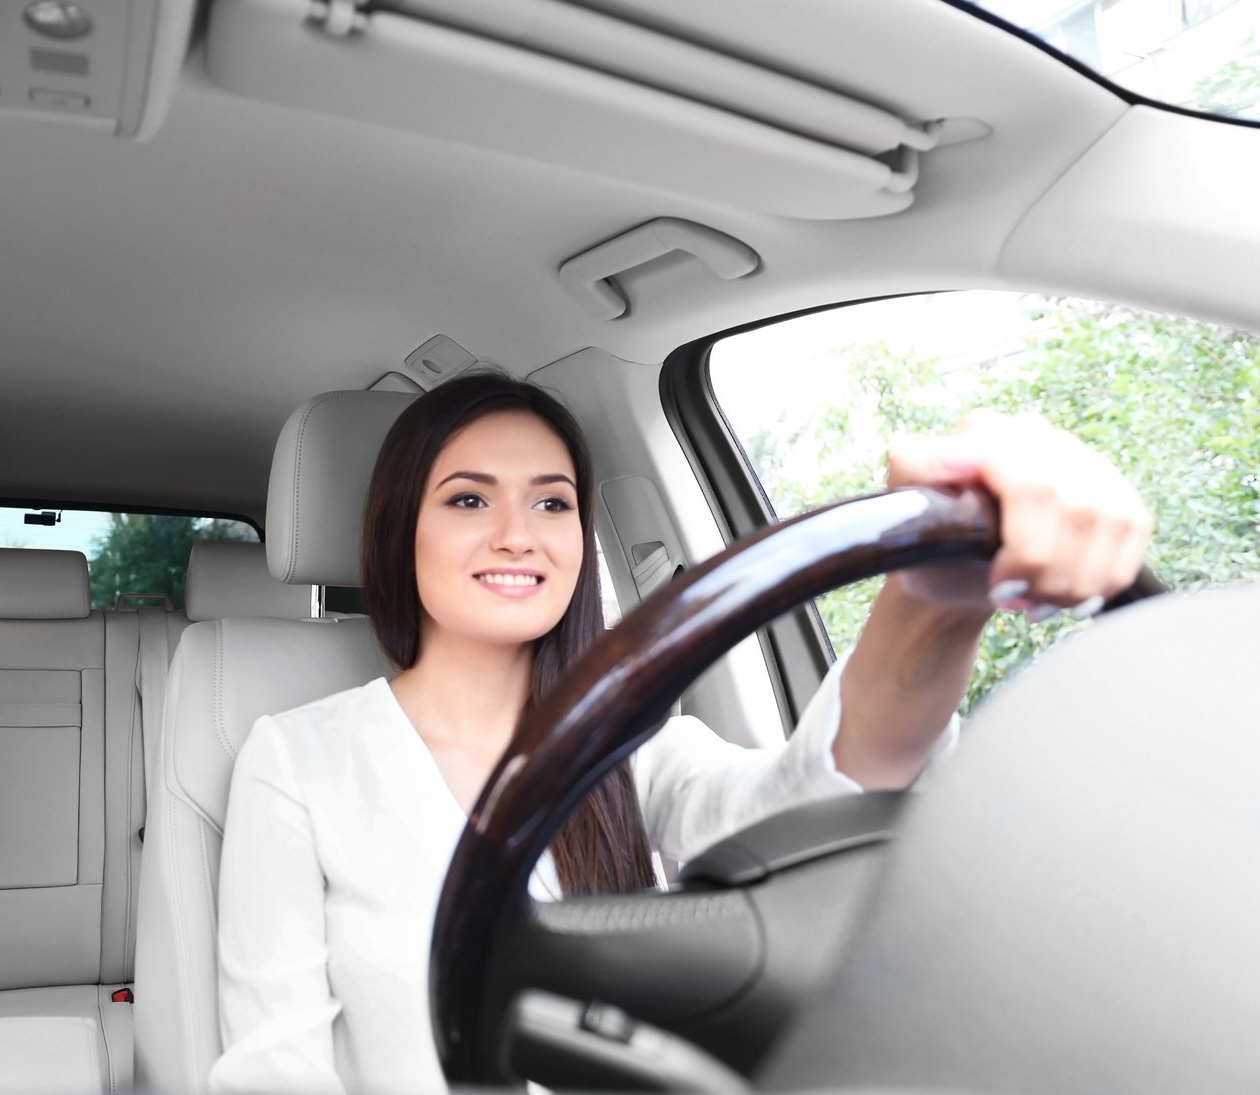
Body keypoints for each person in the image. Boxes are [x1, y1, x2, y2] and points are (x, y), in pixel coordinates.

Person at [209, 371, 1150, 1094]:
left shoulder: (634, 741)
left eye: (551, 500)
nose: (518, 534)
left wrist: (930, 607)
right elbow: (274, 1071)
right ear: (395, 532)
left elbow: (803, 807)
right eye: (467, 499)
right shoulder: (296, 758)